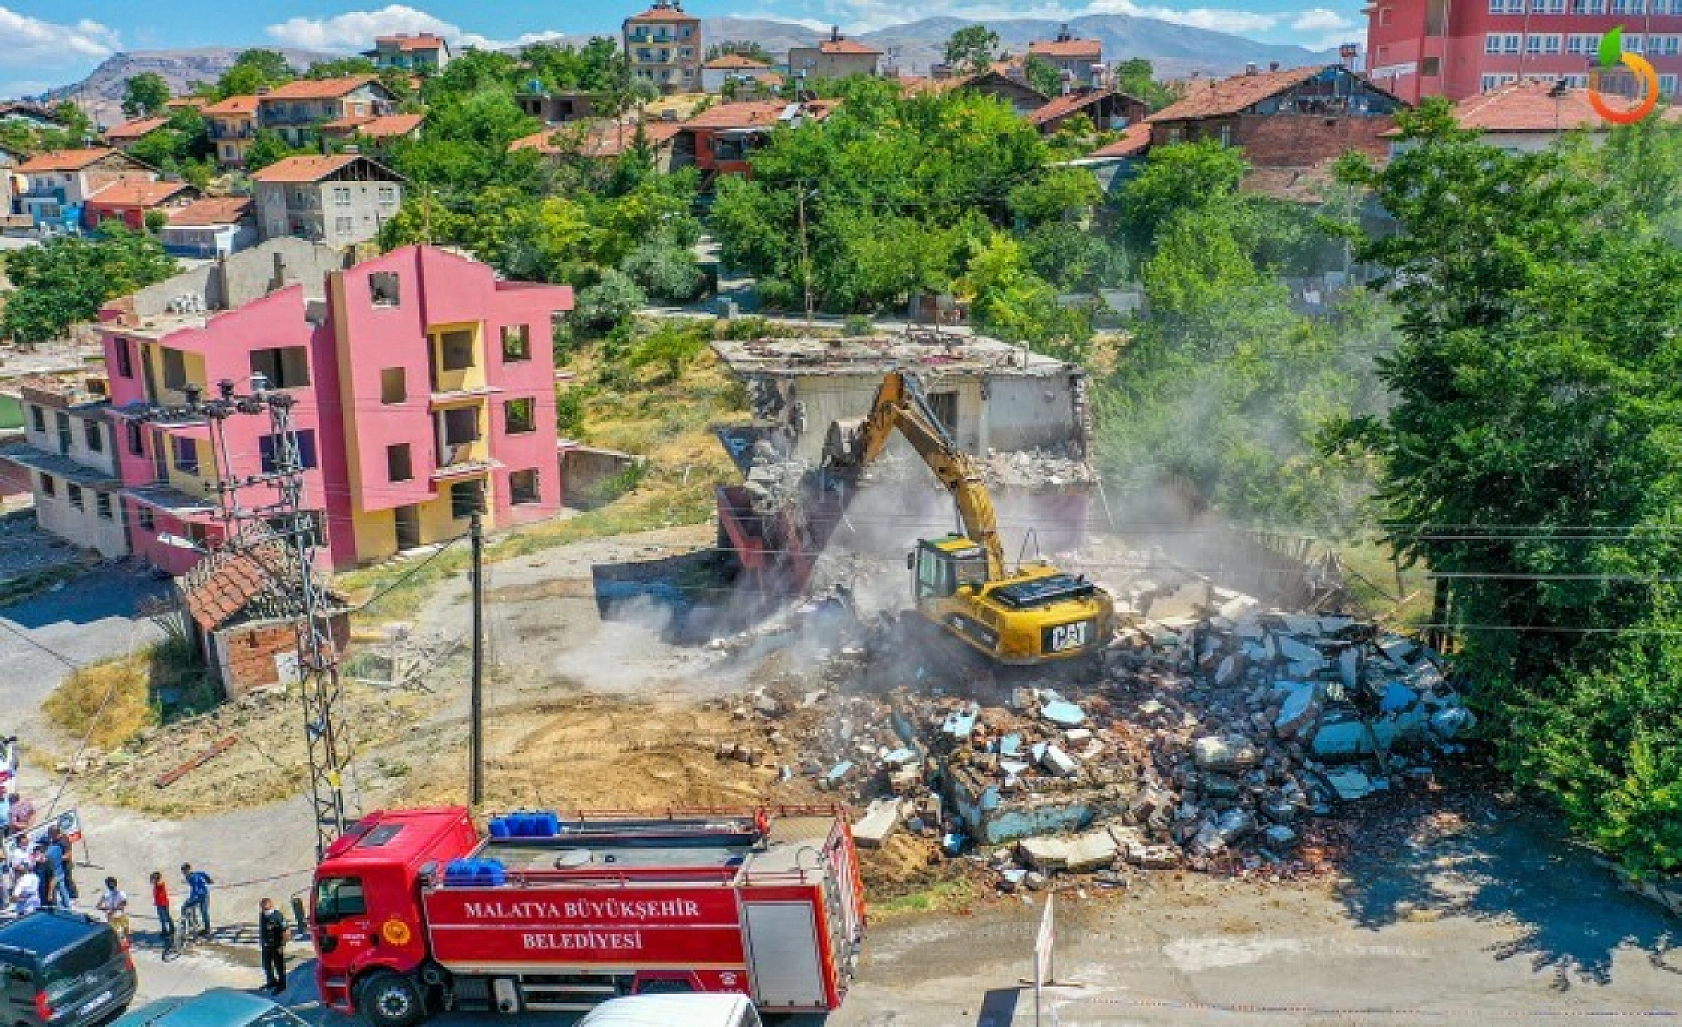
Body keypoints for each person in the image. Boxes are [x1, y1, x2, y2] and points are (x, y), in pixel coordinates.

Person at [258, 898, 288, 994]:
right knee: (267, 966)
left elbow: (286, 931)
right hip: (266, 946)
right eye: (263, 908)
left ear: (271, 906)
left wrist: (282, 945)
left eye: (266, 909)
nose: (265, 911)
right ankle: (271, 982)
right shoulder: (262, 915)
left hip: (276, 946)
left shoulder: (278, 916)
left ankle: (282, 985)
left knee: (279, 967)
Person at [45, 827, 74, 909]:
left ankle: (71, 899)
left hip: (65, 865)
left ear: (55, 833)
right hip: (60, 867)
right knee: (62, 887)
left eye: (50, 834)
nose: (50, 836)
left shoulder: (63, 841)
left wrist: (57, 858)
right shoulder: (55, 840)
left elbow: (68, 854)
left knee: (67, 882)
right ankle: (67, 903)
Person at [180, 863, 212, 936]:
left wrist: (191, 899)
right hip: (202, 895)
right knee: (198, 910)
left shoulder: (192, 878)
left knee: (203, 912)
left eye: (185, 871)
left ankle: (205, 929)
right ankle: (193, 923)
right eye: (183, 872)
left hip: (202, 896)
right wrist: (208, 880)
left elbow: (195, 889)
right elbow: (203, 874)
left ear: (189, 870)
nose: (184, 873)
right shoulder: (194, 874)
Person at [150, 871, 174, 953]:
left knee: (165, 917)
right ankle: (166, 930)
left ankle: (170, 929)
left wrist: (156, 879)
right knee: (162, 918)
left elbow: (160, 884)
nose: (152, 880)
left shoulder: (160, 884)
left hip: (163, 904)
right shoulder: (156, 885)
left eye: (153, 879)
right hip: (160, 903)